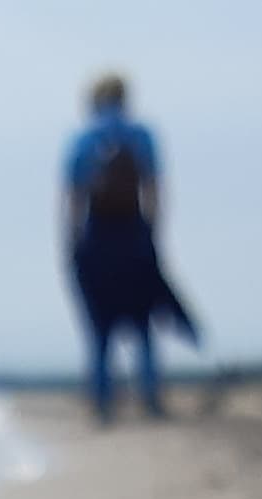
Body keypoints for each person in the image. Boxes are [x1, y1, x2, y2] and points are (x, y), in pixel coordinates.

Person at [62, 73, 194, 426]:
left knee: (99, 330)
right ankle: (150, 399)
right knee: (143, 325)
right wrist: (152, 236)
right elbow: (154, 190)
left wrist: (71, 244)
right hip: (134, 235)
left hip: (96, 237)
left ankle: (102, 403)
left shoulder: (82, 139)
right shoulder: (141, 135)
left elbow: (73, 198)